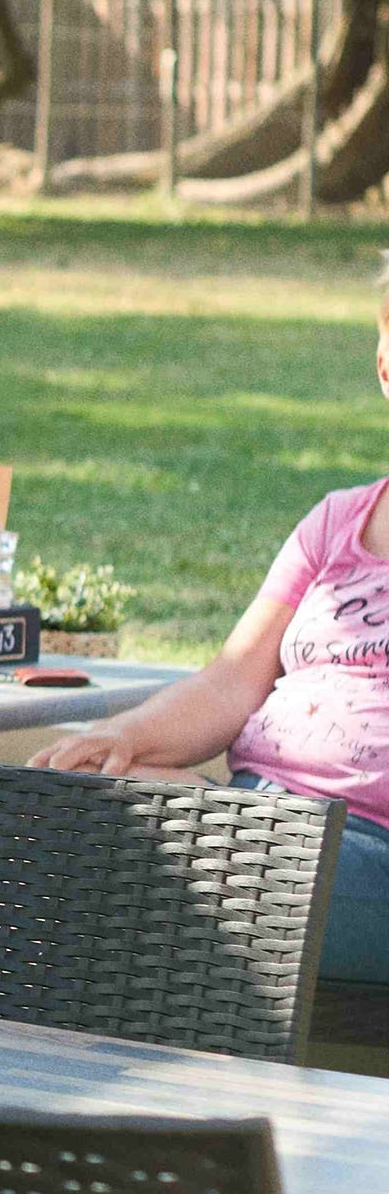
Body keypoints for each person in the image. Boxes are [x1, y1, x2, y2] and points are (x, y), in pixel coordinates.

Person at [32, 275, 389, 991]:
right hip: (258, 816)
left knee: (152, 877)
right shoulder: (336, 522)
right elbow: (231, 680)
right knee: (75, 798)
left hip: (365, 855)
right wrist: (123, 738)